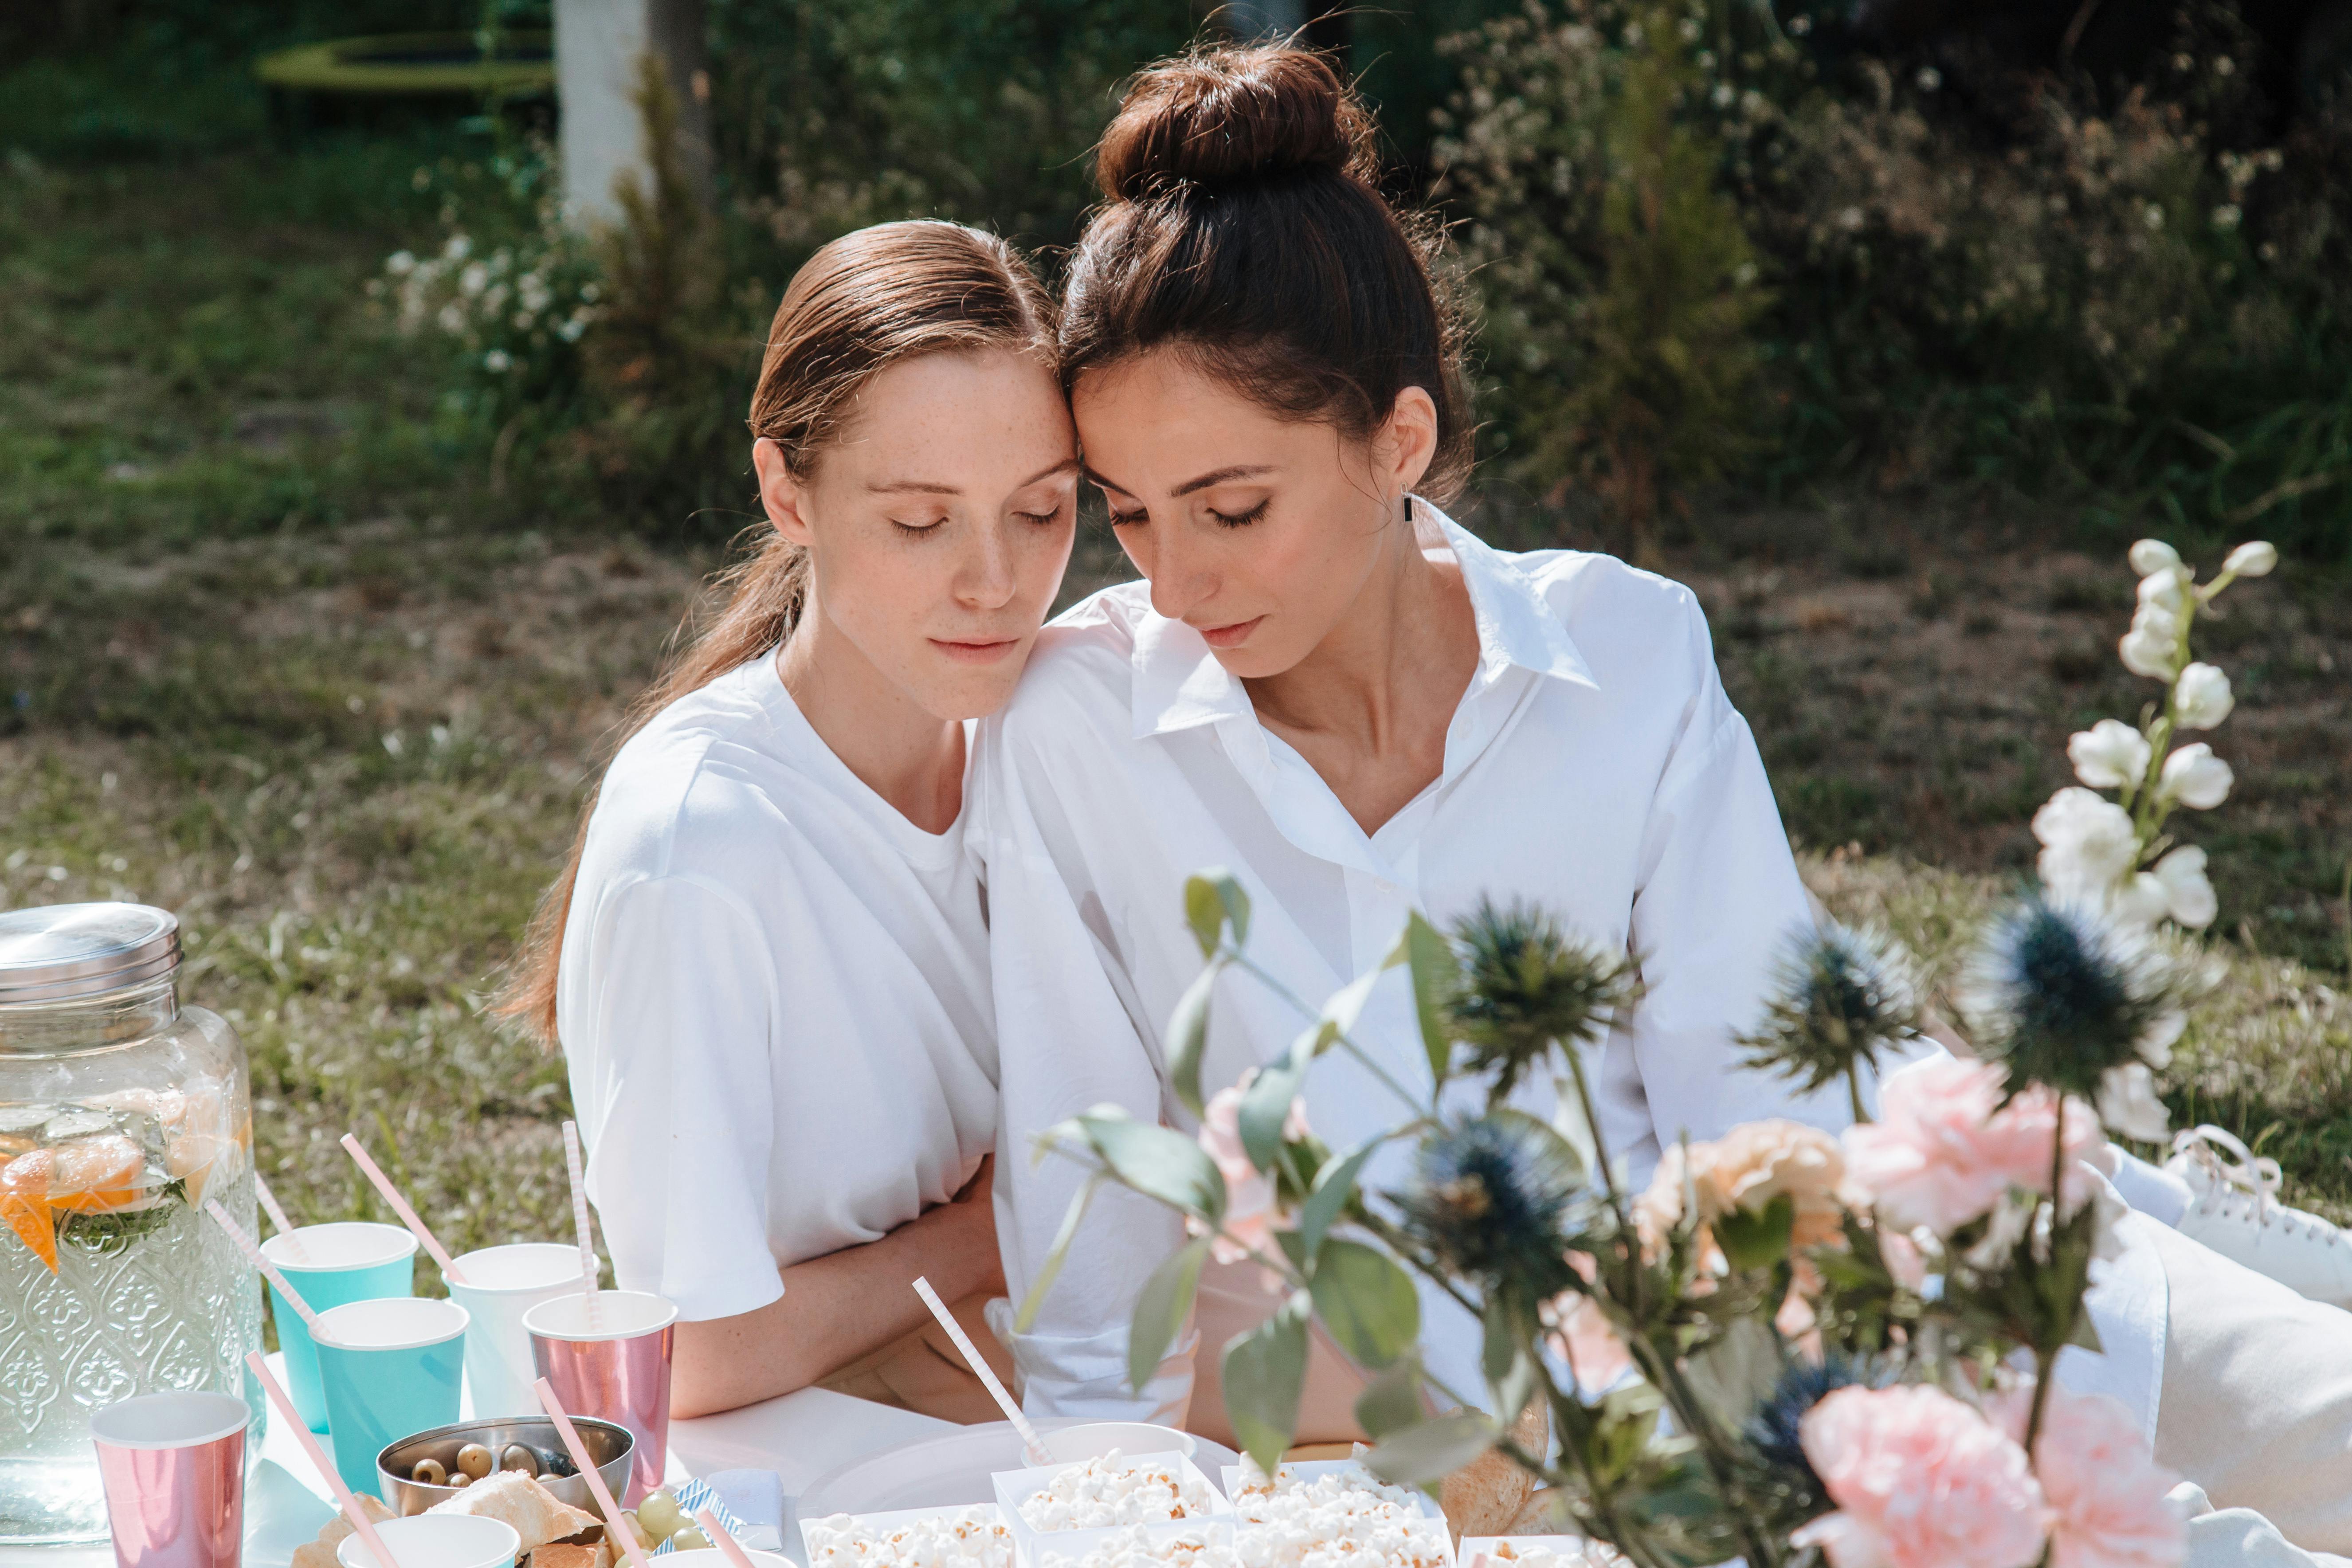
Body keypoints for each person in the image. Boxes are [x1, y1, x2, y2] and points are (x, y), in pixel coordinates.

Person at [970, 43, 2352, 1558]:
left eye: (1234, 508)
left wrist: (1855, 1427)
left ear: (1400, 443)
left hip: (1875, 1297)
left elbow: (1774, 1113)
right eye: (1130, 516)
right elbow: (1084, 1237)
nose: (1176, 579)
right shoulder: (1075, 737)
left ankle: (2174, 1216)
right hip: (1566, 1472)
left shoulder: (1624, 657)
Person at [500, 220, 1078, 1419]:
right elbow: (678, 1363)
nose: (996, 582)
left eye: (1041, 512)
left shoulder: (1051, 748)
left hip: (1032, 1398)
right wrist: (983, 1239)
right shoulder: (701, 849)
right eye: (922, 521)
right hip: (811, 1474)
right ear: (786, 492)